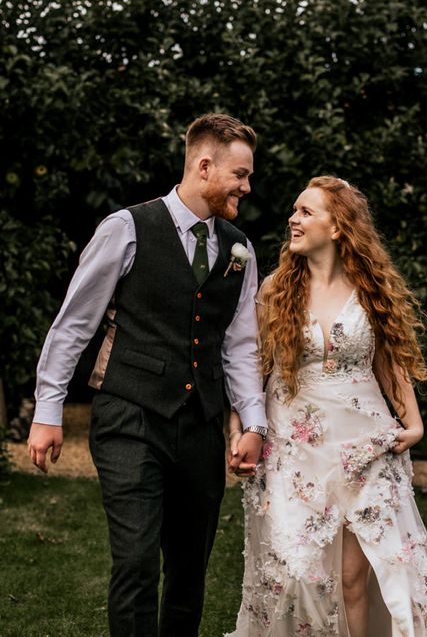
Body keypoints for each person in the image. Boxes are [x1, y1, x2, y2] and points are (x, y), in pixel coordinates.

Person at [27, 113, 268, 637]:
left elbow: (240, 343)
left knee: (189, 571)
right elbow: (73, 324)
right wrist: (48, 411)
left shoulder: (239, 249)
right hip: (130, 415)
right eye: (240, 175)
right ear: (205, 166)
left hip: (201, 425)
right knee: (136, 562)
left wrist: (253, 423)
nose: (247, 187)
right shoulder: (125, 228)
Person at [226, 176, 427, 636]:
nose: (293, 219)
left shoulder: (369, 289)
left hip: (363, 444)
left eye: (306, 212)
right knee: (296, 573)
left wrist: (413, 426)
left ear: (337, 228)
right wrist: (237, 432)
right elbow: (250, 368)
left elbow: (390, 364)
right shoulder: (276, 290)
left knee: (356, 577)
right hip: (294, 446)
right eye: (294, 211)